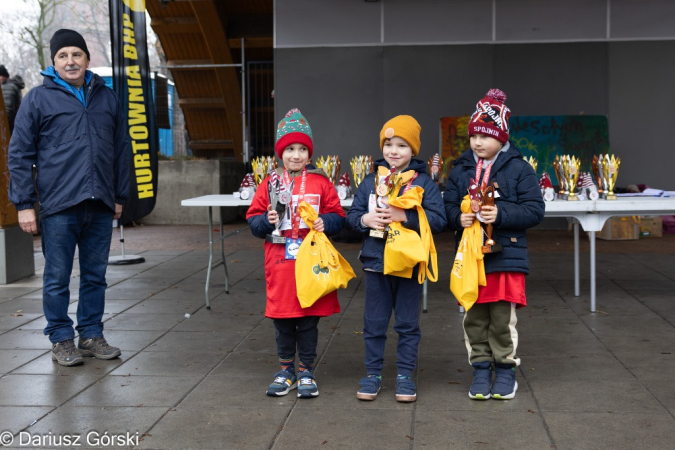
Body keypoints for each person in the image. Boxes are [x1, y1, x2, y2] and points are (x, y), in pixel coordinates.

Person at [8, 29, 130, 366]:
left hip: (101, 204)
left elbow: (121, 148)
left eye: (76, 54)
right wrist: (23, 204)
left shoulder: (107, 97)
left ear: (88, 59)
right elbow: (18, 153)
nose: (70, 60)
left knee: (95, 275)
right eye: (63, 55)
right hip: (59, 205)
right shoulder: (37, 98)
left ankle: (90, 334)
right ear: (54, 62)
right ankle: (61, 338)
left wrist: (119, 195)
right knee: (57, 277)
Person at [443, 89, 544, 400]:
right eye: (475, 136)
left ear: (502, 139)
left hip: (505, 257)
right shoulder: (460, 169)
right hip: (470, 258)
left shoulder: (519, 168)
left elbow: (535, 211)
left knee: (501, 319)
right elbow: (447, 206)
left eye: (486, 137)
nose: (478, 143)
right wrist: (455, 219)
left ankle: (505, 371)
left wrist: (500, 214)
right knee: (473, 318)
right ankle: (480, 369)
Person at [346, 115, 447, 402]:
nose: (393, 151)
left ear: (413, 150)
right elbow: (351, 219)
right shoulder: (370, 181)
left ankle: (405, 375)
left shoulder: (424, 182)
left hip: (409, 265)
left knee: (407, 324)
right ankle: (373, 374)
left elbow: (440, 220)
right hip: (376, 264)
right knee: (374, 323)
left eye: (402, 145)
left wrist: (407, 216)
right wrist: (365, 219)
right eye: (388, 144)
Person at [246, 108, 345, 398]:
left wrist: (327, 222)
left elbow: (339, 215)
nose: (296, 155)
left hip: (311, 262)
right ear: (281, 152)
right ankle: (285, 370)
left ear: (309, 153)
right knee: (283, 319)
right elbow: (252, 220)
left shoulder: (321, 182)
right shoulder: (269, 183)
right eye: (290, 148)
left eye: (302, 148)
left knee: (308, 319)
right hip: (280, 263)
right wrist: (267, 221)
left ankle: (306, 372)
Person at [0, 64, 25, 133]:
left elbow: (7, 112)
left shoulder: (7, 87)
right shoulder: (13, 85)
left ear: (2, 76)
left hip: (10, 130)